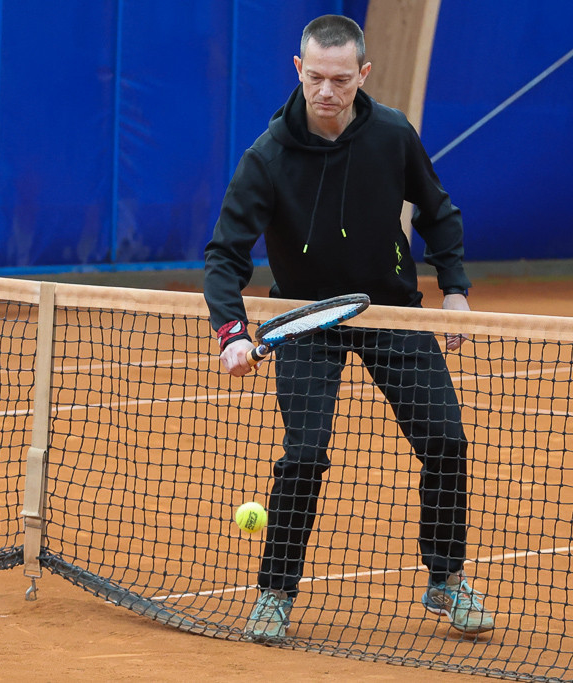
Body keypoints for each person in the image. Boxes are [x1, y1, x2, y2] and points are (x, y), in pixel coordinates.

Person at [203, 14, 494, 641]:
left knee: (447, 442)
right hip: (303, 319)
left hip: (390, 310)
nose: (327, 92)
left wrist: (457, 292)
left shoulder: (392, 134)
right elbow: (225, 255)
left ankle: (445, 580)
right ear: (298, 72)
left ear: (362, 74)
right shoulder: (268, 156)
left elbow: (439, 212)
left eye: (341, 78)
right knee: (305, 454)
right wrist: (231, 333)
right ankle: (274, 596)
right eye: (315, 77)